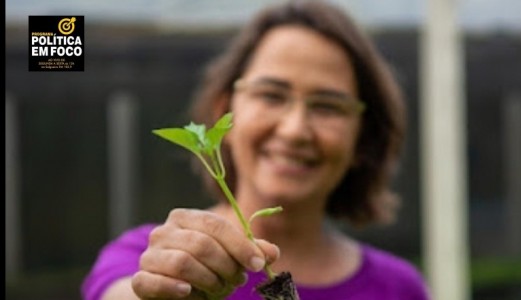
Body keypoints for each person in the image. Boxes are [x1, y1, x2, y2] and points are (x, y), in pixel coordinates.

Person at [81, 1, 431, 299]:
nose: (294, 130)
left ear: (362, 139)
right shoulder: (149, 256)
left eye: (327, 106)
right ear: (224, 113)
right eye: (271, 95)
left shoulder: (399, 287)